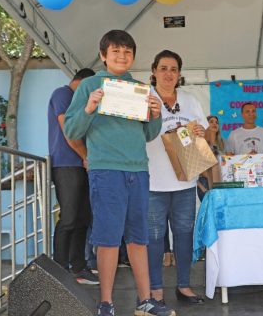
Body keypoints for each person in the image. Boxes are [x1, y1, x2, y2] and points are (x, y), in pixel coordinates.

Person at [64, 30, 171, 316]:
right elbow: (71, 131)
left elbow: (148, 134)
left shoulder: (141, 88)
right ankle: (106, 303)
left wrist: (156, 114)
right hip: (106, 170)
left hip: (138, 169)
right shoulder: (89, 86)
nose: (122, 56)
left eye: (127, 52)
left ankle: (145, 301)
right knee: (108, 238)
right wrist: (88, 108)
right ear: (103, 55)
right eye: (116, 51)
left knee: (139, 237)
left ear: (133, 56)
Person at [145, 50, 207, 306]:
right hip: (152, 182)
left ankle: (184, 285)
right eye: (163, 68)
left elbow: (202, 137)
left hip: (185, 181)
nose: (168, 73)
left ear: (179, 73)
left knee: (184, 234)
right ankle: (156, 289)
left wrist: (202, 132)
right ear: (154, 71)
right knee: (154, 237)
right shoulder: (145, 98)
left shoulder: (191, 100)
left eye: (173, 69)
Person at [48, 68, 98, 285]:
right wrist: (85, 156)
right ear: (84, 82)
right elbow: (68, 130)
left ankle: (79, 267)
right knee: (68, 218)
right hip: (67, 165)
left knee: (83, 218)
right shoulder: (62, 94)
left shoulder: (81, 100)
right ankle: (59, 271)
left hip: (85, 165)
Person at [197, 115, 225, 201]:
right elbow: (199, 168)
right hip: (205, 184)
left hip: (220, 183)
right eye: (211, 122)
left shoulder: (221, 145)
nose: (214, 124)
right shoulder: (200, 144)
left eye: (217, 122)